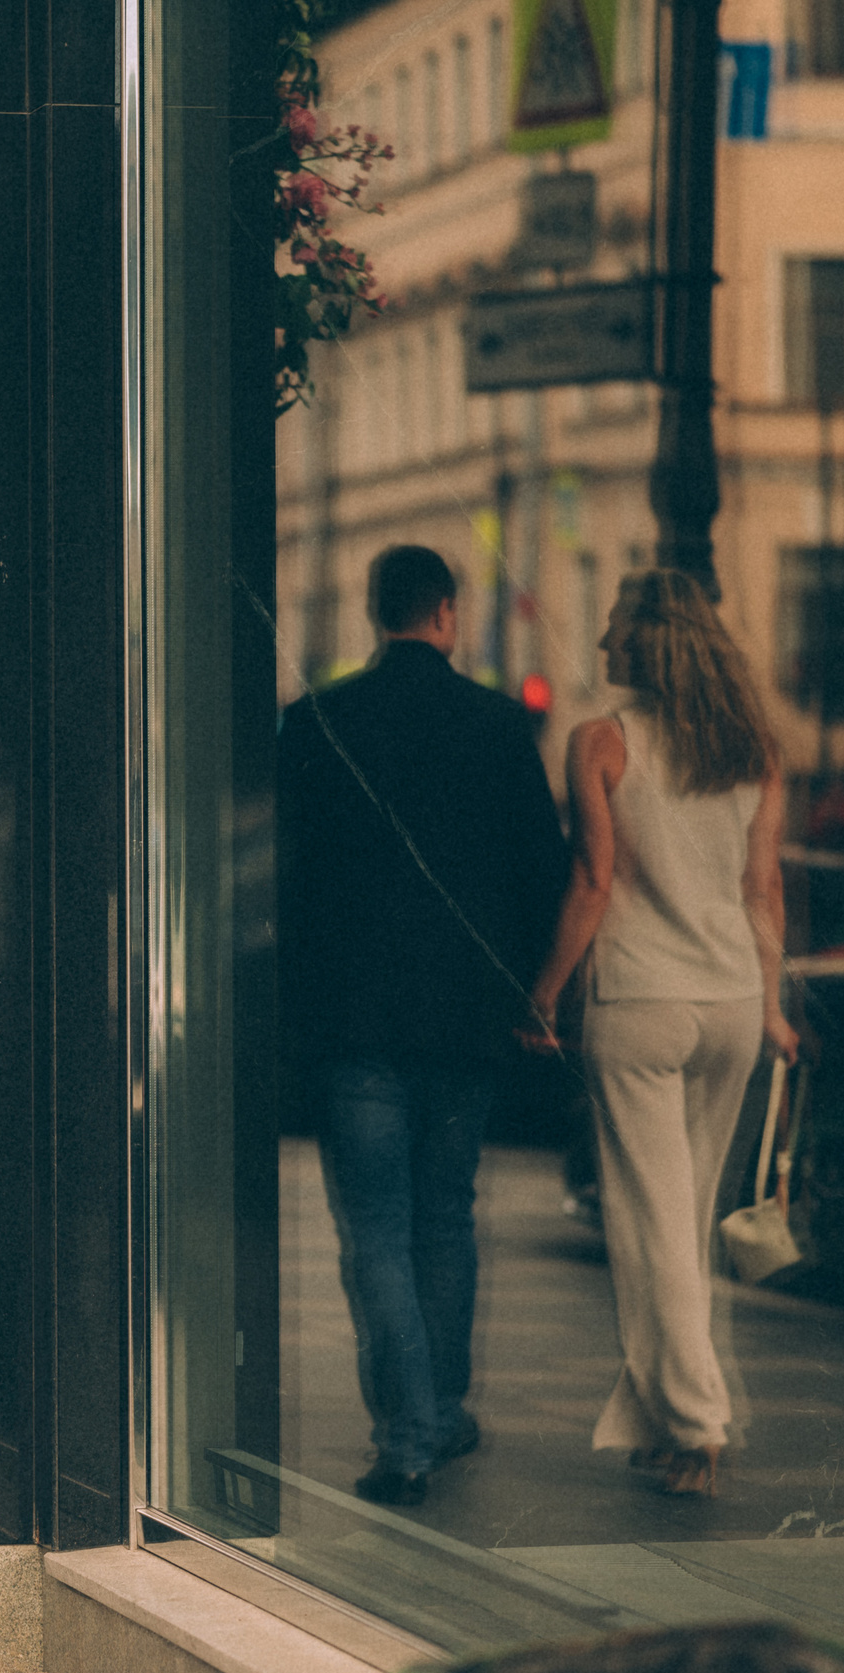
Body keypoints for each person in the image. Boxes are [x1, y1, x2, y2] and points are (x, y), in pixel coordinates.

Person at [277, 544, 569, 1508]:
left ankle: (407, 1433)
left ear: (376, 612)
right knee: (447, 1215)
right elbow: (541, 871)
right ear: (444, 612)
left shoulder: (316, 724)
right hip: (469, 1023)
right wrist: (535, 992)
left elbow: (287, 886)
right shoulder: (496, 724)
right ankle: (439, 1412)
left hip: (356, 1022)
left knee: (375, 1231)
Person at [524, 571, 797, 1499]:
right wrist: (769, 1006)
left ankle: (697, 1423)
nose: (603, 647)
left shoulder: (601, 741)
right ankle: (661, 1423)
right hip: (727, 1003)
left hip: (641, 1002)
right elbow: (764, 889)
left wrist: (546, 991)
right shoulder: (752, 747)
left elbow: (593, 881)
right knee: (682, 1223)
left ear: (648, 642)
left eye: (613, 631)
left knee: (652, 1228)